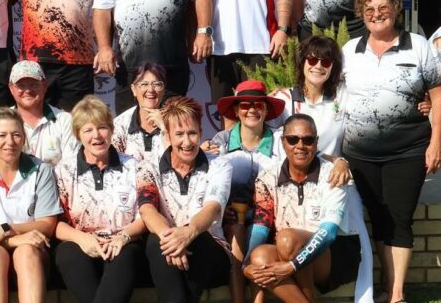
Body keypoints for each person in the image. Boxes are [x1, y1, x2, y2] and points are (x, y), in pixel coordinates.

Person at [341, 0, 441, 303]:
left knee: (400, 218)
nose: (377, 13)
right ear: (362, 12)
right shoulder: (349, 51)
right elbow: (332, 96)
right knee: (379, 218)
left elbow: (438, 96)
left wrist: (436, 142)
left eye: (384, 6)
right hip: (360, 153)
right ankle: (386, 288)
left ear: (396, 8)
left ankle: (397, 295)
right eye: (369, 8)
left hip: (408, 150)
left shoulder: (419, 45)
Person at [244, 114, 372, 303]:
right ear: (283, 142)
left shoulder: (334, 174)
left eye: (308, 140)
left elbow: (328, 233)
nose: (300, 146)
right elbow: (261, 225)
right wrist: (246, 264)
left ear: (316, 142)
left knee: (288, 239)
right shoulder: (268, 176)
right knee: (260, 257)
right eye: (292, 139)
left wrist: (291, 266)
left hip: (334, 254)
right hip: (288, 251)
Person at [0, 107, 62, 303]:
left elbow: (47, 225)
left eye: (16, 135)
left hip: (33, 255)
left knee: (26, 252)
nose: (10, 142)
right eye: (2, 135)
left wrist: (5, 229)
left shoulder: (41, 170)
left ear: (23, 138)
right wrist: (14, 239)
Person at [137, 96, 233, 303]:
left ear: (200, 132)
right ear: (168, 136)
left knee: (199, 239)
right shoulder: (148, 167)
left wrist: (188, 233)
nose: (187, 142)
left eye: (192, 133)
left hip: (210, 250)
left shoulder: (220, 165)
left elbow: (213, 208)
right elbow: (147, 210)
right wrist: (172, 239)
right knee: (156, 241)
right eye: (179, 134)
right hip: (166, 250)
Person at [54, 95, 146, 303]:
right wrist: (83, 239)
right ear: (78, 135)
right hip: (81, 243)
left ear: (112, 130)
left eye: (102, 127)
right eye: (88, 130)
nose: (97, 136)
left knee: (126, 255)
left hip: (124, 242)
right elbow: (56, 223)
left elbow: (144, 217)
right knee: (67, 253)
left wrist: (122, 237)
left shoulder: (134, 166)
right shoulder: (63, 170)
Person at [205, 79, 285, 303]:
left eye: (258, 105)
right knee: (237, 228)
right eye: (245, 105)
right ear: (236, 111)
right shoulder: (219, 141)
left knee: (256, 233)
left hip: (272, 216)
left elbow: (311, 155)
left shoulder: (281, 139)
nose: (251, 109)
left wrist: (338, 161)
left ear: (266, 110)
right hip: (232, 218)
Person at [269, 36, 346, 157]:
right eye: (312, 60)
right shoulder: (284, 99)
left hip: (330, 173)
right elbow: (266, 135)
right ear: (302, 62)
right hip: (293, 172)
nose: (318, 66)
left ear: (333, 66)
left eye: (325, 61)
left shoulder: (341, 95)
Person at [8, 60, 76, 166]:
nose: (27, 90)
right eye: (21, 86)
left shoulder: (65, 121)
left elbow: (71, 166)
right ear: (11, 89)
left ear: (45, 85)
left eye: (34, 85)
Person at [112, 62, 169, 163]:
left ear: (163, 89)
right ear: (134, 89)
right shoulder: (119, 124)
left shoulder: (175, 121)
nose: (150, 90)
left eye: (156, 84)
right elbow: (114, 164)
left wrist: (164, 127)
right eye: (144, 84)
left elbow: (180, 159)